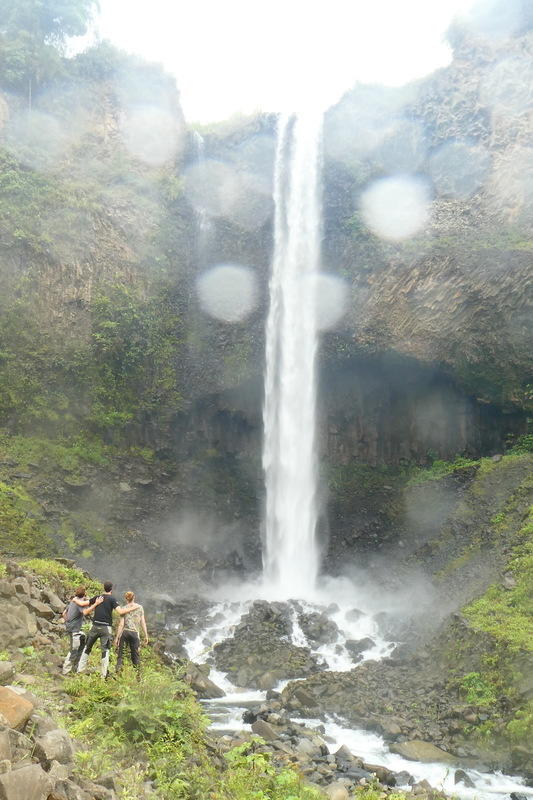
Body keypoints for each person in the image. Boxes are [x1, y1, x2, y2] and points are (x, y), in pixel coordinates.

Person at [76, 581, 132, 679]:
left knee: (87, 647)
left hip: (94, 626)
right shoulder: (112, 599)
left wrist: (74, 600)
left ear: (104, 588)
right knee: (105, 651)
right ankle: (103, 675)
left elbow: (83, 603)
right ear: (111, 589)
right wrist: (133, 607)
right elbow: (120, 611)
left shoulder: (98, 597)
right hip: (106, 628)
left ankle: (80, 670)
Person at [114, 591, 148, 677]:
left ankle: (118, 672)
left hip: (125, 632)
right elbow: (142, 622)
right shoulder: (140, 608)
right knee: (135, 655)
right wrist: (146, 635)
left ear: (126, 599)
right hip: (135, 633)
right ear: (134, 597)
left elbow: (121, 624)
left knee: (121, 654)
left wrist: (117, 637)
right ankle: (138, 675)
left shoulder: (124, 608)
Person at [61, 586, 91, 675]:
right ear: (84, 594)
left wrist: (68, 622)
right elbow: (85, 612)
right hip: (74, 629)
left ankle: (74, 667)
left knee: (82, 641)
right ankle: (66, 671)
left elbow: (64, 613)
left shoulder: (72, 601)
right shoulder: (79, 603)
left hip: (71, 628)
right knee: (74, 649)